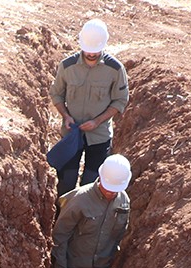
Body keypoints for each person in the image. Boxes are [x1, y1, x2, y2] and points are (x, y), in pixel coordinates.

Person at [49, 19, 129, 196]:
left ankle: (85, 222)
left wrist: (97, 121)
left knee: (91, 187)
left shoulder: (115, 69)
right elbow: (56, 94)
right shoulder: (67, 66)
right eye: (88, 51)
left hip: (99, 137)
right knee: (66, 183)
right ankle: (62, 219)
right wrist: (66, 116)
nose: (91, 55)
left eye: (95, 51)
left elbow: (120, 100)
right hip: (72, 134)